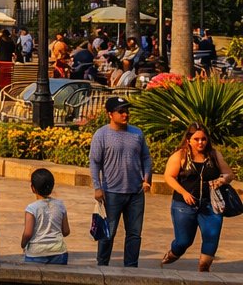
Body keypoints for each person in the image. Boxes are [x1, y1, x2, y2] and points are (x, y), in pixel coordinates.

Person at [162, 122, 236, 272]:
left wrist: (223, 179)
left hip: (210, 204)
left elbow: (229, 174)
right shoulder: (180, 156)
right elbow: (168, 176)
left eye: (203, 139)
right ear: (188, 140)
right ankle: (173, 252)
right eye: (196, 139)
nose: (200, 142)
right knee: (183, 241)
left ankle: (204, 269)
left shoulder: (214, 155)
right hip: (184, 205)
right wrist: (183, 192)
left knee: (212, 236)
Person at [90, 95, 151, 267]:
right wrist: (97, 187)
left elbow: (146, 157)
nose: (125, 115)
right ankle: (102, 266)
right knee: (108, 232)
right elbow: (95, 162)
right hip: (112, 192)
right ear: (110, 114)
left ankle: (131, 268)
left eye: (127, 111)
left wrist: (147, 177)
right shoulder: (101, 135)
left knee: (134, 234)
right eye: (121, 111)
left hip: (136, 193)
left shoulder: (137, 133)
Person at [20, 167, 70, 264]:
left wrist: (23, 244)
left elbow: (28, 234)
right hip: (59, 253)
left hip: (36, 253)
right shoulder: (60, 205)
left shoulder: (32, 208)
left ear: (33, 188)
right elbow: (66, 231)